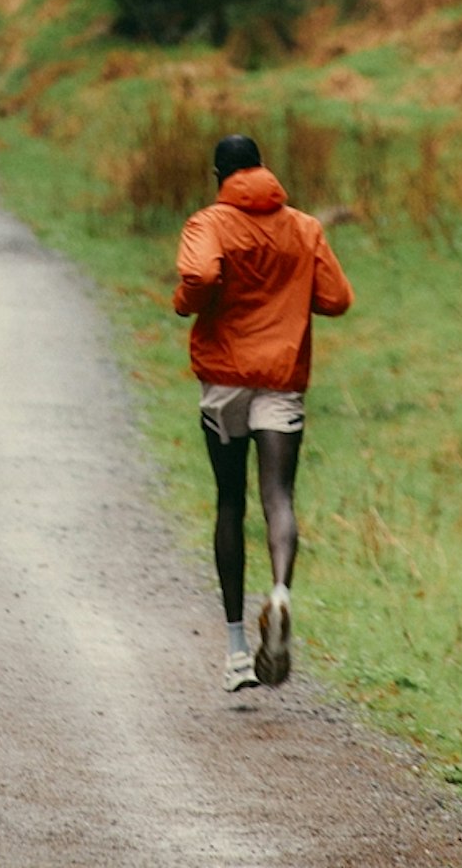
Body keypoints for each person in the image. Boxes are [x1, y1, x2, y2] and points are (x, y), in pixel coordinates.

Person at [174, 131, 353, 696]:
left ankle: (234, 650)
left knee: (231, 502)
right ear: (262, 168)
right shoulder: (304, 226)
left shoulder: (209, 223)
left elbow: (199, 278)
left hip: (226, 380)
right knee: (278, 496)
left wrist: (188, 302)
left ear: (217, 174)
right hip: (281, 379)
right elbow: (337, 298)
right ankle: (280, 592)